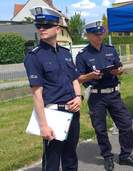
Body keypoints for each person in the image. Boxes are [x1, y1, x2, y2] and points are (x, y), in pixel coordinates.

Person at [75, 20, 133, 171]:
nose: (99, 37)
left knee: (125, 123)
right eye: (95, 34)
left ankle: (125, 156)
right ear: (87, 35)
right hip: (96, 96)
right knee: (100, 129)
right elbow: (78, 78)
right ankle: (107, 157)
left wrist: (118, 71)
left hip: (113, 93)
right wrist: (90, 76)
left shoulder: (110, 49)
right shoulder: (82, 55)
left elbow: (120, 67)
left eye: (101, 34)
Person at [24, 6, 82, 171]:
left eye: (46, 25)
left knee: (71, 157)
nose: (41, 29)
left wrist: (78, 97)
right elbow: (36, 94)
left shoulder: (65, 53)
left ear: (57, 28)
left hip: (73, 112)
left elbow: (75, 80)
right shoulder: (34, 56)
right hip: (53, 115)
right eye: (38, 26)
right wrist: (43, 125)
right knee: (52, 161)